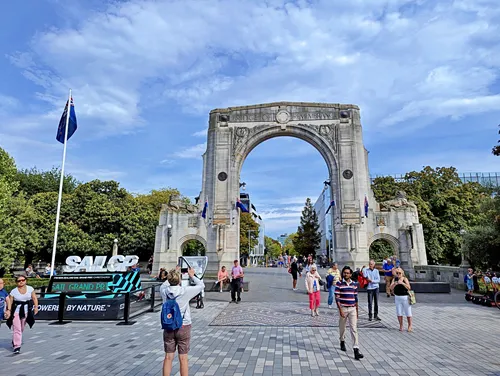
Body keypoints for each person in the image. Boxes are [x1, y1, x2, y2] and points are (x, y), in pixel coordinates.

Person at [160, 266, 205, 376]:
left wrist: (174, 272)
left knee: (168, 356)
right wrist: (192, 275)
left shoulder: (164, 290)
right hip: (183, 325)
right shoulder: (185, 291)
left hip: (169, 325)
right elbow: (201, 286)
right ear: (179, 280)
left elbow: (165, 284)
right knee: (183, 357)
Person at [335, 266, 364, 360]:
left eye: (348, 273)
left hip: (352, 309)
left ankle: (356, 349)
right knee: (342, 327)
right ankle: (342, 340)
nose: (346, 274)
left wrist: (357, 310)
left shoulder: (354, 284)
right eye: (345, 273)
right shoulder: (339, 284)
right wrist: (340, 310)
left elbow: (356, 298)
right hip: (343, 308)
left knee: (354, 329)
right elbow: (337, 298)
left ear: (351, 274)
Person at [5, 276, 39, 354]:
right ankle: (17, 346)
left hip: (26, 310)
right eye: (19, 281)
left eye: (23, 280)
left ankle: (15, 339)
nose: (21, 282)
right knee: (17, 328)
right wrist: (8, 311)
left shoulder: (30, 289)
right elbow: (9, 302)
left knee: (22, 327)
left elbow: (34, 298)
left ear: (25, 281)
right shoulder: (14, 291)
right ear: (16, 282)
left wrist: (36, 307)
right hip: (16, 310)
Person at [390, 268, 413, 332]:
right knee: (399, 312)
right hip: (397, 297)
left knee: (408, 312)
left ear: (402, 273)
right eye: (397, 273)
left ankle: (410, 325)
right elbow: (391, 288)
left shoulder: (405, 279)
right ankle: (401, 325)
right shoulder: (394, 279)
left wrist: (402, 283)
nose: (398, 274)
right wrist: (394, 284)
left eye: (399, 273)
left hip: (405, 297)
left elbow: (409, 287)